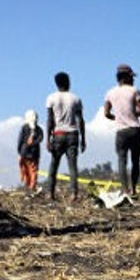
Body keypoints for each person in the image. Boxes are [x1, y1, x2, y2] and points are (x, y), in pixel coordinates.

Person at [104, 64, 140, 196]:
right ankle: (134, 188)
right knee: (135, 161)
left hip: (121, 131)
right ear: (126, 77)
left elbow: (106, 113)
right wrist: (132, 114)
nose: (133, 80)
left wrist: (118, 117)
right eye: (132, 77)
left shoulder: (110, 93)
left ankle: (125, 189)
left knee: (122, 160)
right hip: (134, 129)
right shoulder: (134, 91)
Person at [45, 71, 85, 201]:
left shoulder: (51, 98)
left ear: (56, 84)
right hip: (73, 134)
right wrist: (83, 139)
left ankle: (50, 193)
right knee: (72, 166)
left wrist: (47, 139)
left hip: (58, 134)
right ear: (68, 82)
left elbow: (50, 120)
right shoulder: (75, 98)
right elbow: (80, 120)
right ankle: (73, 193)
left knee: (53, 165)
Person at [17, 110, 42, 192]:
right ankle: (32, 186)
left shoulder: (24, 128)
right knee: (33, 171)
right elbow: (40, 139)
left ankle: (29, 186)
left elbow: (20, 140)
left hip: (25, 153)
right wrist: (33, 143)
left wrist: (19, 151)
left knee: (26, 171)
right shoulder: (39, 129)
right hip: (34, 154)